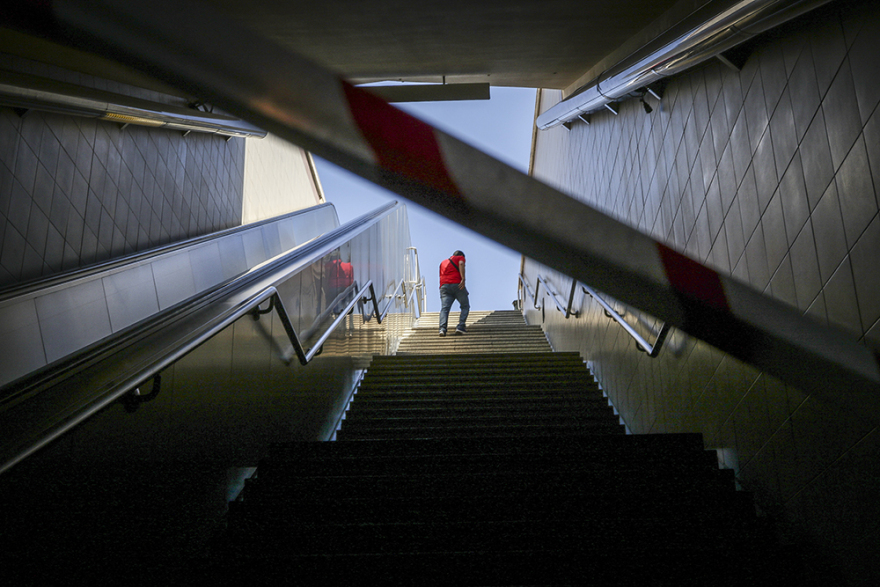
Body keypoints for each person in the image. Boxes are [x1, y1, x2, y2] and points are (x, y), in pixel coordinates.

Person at [438, 250, 469, 336]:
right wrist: (463, 279)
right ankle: (460, 326)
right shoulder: (460, 258)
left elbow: (441, 274)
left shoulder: (443, 262)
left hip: (444, 286)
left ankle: (442, 329)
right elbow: (461, 264)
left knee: (445, 308)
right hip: (457, 285)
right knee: (465, 306)